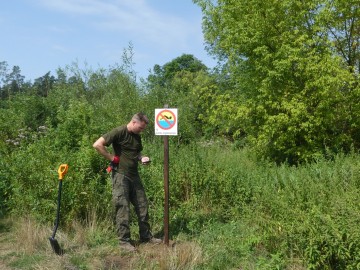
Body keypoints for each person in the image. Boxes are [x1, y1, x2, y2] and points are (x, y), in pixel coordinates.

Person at [93, 112, 161, 251]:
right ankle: (123, 242)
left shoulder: (137, 137)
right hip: (121, 176)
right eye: (141, 128)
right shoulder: (119, 132)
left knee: (142, 206)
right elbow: (97, 144)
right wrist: (111, 157)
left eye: (143, 129)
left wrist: (142, 158)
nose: (141, 131)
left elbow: (137, 153)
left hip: (134, 175)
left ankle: (146, 237)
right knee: (122, 208)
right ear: (134, 122)